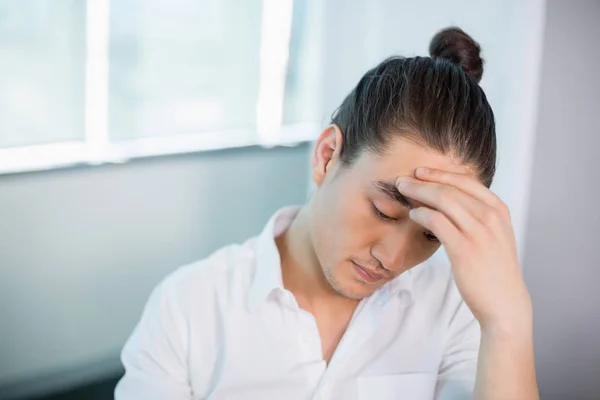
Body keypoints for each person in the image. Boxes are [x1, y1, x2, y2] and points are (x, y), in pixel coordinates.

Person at [115, 27, 538, 400]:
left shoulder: (455, 311)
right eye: (384, 211)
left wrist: (508, 324)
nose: (391, 259)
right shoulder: (189, 308)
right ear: (327, 155)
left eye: (431, 234)